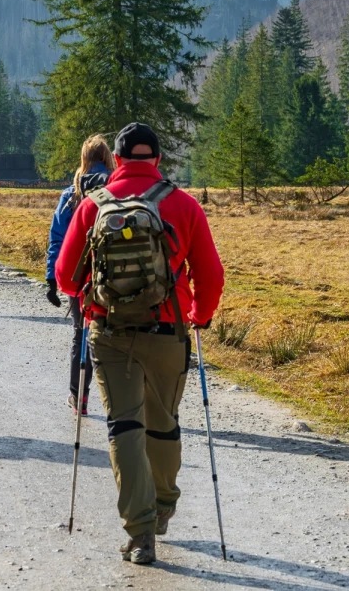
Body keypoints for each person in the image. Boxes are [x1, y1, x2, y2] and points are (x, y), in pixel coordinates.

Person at [56, 123, 225, 566]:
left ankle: (140, 530)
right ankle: (164, 504)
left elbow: (65, 275)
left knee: (124, 427)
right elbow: (210, 275)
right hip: (168, 331)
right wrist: (199, 316)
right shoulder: (184, 205)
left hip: (109, 333)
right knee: (163, 422)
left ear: (117, 159)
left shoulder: (94, 206)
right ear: (158, 160)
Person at [45, 135, 116, 417]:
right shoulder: (118, 188)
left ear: (84, 159)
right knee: (114, 337)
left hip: (79, 277)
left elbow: (57, 238)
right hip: (114, 274)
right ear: (108, 158)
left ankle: (79, 396)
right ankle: (117, 400)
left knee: (81, 335)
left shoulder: (71, 193)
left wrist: (52, 277)